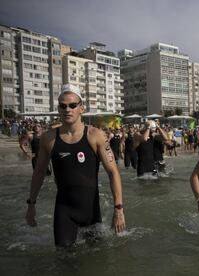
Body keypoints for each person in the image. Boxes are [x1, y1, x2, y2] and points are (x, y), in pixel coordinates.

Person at [25, 84, 125, 247]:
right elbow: (39, 172)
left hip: (91, 212)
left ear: (81, 108)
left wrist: (118, 209)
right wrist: (31, 204)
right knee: (64, 260)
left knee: (96, 262)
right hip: (64, 211)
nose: (68, 109)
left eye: (72, 105)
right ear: (58, 109)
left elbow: (113, 172)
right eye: (63, 106)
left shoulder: (96, 136)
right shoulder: (48, 138)